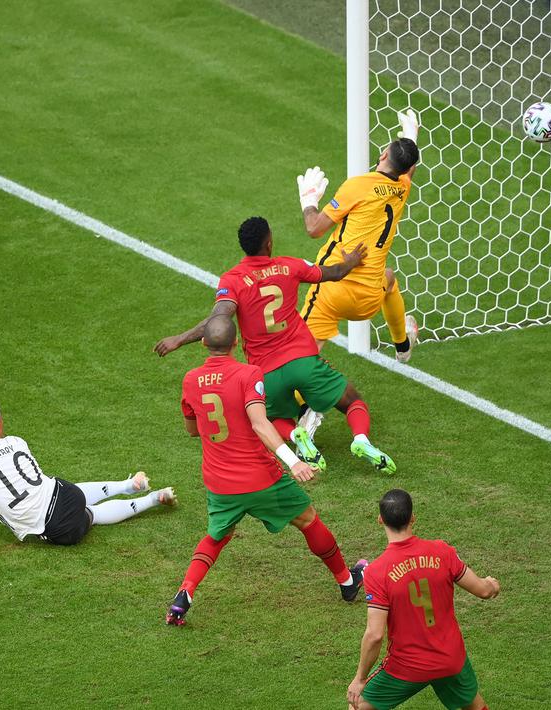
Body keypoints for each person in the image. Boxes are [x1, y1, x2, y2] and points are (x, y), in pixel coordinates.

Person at [165, 315, 366, 625]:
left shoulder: (190, 379)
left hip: (219, 482)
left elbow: (192, 430)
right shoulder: (249, 374)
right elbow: (260, 422)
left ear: (203, 343)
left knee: (217, 536)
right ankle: (347, 582)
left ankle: (184, 593)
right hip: (260, 478)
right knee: (308, 519)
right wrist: (293, 461)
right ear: (235, 342)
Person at [155, 216, 397, 474]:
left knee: (268, 416)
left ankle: (295, 435)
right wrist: (351, 261)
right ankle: (361, 439)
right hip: (303, 360)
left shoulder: (232, 280)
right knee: (351, 401)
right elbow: (334, 273)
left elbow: (218, 319)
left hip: (266, 371)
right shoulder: (289, 266)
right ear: (269, 243)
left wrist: (179, 339)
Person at [0, 396, 176, 553]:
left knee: (94, 514)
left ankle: (154, 498)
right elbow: (11, 486)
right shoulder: (15, 442)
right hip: (66, 491)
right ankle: (127, 485)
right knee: (72, 497)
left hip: (57, 524)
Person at [347, 489, 500, 710]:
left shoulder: (377, 572)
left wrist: (360, 678)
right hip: (449, 658)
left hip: (407, 666)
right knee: (474, 706)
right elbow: (483, 591)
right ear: (412, 518)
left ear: (380, 519)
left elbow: (375, 635)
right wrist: (492, 584)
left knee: (357, 704)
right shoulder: (442, 552)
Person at [296, 110, 423, 363]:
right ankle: (403, 345)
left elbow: (314, 229)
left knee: (299, 355)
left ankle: (295, 393)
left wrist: (308, 200)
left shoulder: (357, 186)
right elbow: (407, 170)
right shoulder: (402, 188)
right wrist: (411, 140)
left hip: (333, 289)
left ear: (383, 155)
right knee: (389, 277)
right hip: (369, 300)